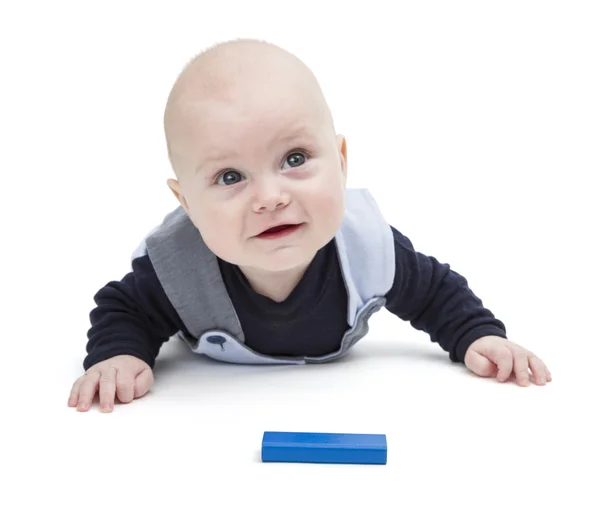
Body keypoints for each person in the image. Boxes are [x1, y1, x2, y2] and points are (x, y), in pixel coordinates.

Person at [68, 39, 552, 413]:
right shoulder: (178, 268)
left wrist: (478, 336)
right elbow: (123, 307)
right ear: (187, 204)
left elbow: (435, 292)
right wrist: (119, 355)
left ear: (341, 162)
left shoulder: (367, 248)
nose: (271, 197)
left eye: (294, 158)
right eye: (230, 177)